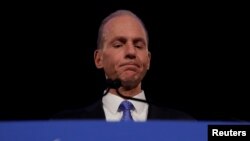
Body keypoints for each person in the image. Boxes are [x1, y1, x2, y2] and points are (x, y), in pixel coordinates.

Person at [53, 9, 194, 121]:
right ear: (99, 59)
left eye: (139, 46)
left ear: (149, 59)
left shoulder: (183, 124)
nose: (131, 52)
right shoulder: (66, 124)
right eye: (118, 45)